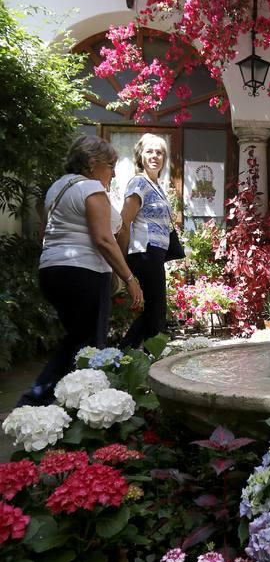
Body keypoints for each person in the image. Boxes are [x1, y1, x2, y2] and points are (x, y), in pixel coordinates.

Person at [18, 136, 143, 406]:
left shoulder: (57, 188)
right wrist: (129, 279)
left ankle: (52, 403)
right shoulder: (90, 188)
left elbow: (44, 232)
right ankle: (50, 403)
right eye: (110, 165)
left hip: (52, 270)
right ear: (91, 163)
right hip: (83, 272)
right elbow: (103, 239)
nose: (112, 172)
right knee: (88, 347)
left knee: (75, 339)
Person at [117, 133, 175, 349]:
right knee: (156, 310)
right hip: (145, 251)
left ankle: (134, 357)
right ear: (140, 155)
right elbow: (124, 222)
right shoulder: (139, 182)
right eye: (149, 151)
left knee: (155, 309)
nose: (155, 156)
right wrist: (121, 262)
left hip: (155, 253)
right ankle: (125, 356)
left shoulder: (156, 185)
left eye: (159, 152)